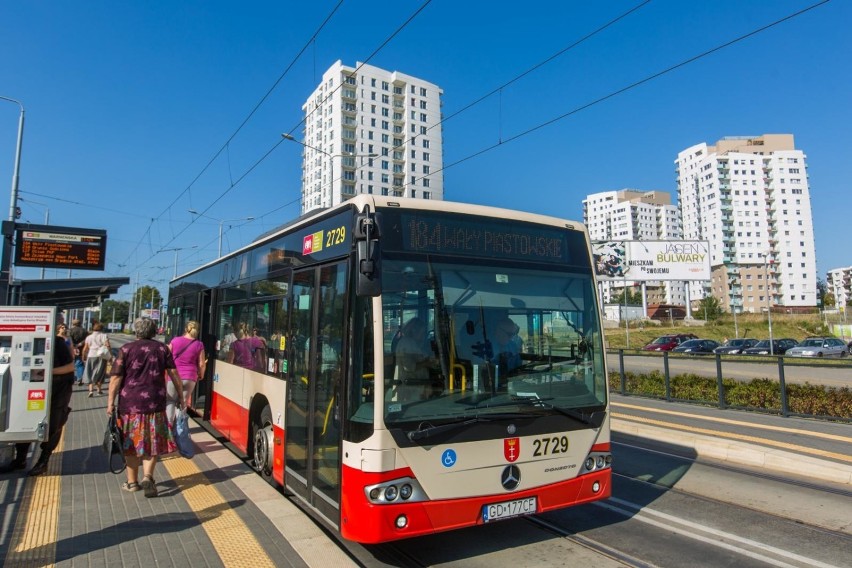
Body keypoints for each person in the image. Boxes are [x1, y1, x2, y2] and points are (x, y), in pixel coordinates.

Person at [107, 318, 184, 498]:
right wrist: (181, 395)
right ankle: (148, 477)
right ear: (154, 331)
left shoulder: (126, 349)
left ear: (136, 331)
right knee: (152, 442)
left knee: (131, 444)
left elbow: (116, 377)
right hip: (155, 404)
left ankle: (132, 482)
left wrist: (110, 402)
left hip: (130, 405)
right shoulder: (162, 349)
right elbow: (173, 373)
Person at [0, 314, 76, 476]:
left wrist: (47, 373)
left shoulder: (58, 343)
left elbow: (70, 367)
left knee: (53, 425)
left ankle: (43, 461)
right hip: (32, 388)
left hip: (57, 391)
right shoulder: (28, 339)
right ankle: (20, 459)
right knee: (25, 420)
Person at [167, 320, 207, 422]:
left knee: (171, 401)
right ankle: (180, 428)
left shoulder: (175, 340)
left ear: (186, 329)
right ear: (197, 331)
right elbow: (202, 363)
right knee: (184, 401)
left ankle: (169, 426)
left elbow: (166, 356)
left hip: (174, 376)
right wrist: (201, 374)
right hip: (190, 377)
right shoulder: (199, 344)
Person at [394, 317, 436, 401]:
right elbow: (408, 367)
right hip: (410, 388)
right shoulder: (406, 343)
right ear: (414, 331)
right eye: (422, 332)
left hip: (418, 386)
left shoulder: (414, 343)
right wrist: (427, 362)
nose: (424, 335)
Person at [82, 321, 111, 397]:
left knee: (90, 372)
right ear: (102, 328)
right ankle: (99, 390)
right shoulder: (104, 335)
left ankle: (91, 391)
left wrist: (83, 356)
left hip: (91, 355)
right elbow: (108, 346)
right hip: (101, 356)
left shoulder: (89, 337)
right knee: (100, 373)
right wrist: (110, 356)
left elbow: (85, 348)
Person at [69, 318, 88, 386]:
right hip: (81, 348)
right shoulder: (84, 331)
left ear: (73, 324)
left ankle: (71, 378)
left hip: (71, 348)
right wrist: (80, 343)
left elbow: (69, 339)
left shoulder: (70, 330)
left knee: (70, 363)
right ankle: (80, 377)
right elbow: (86, 339)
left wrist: (74, 345)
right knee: (80, 363)